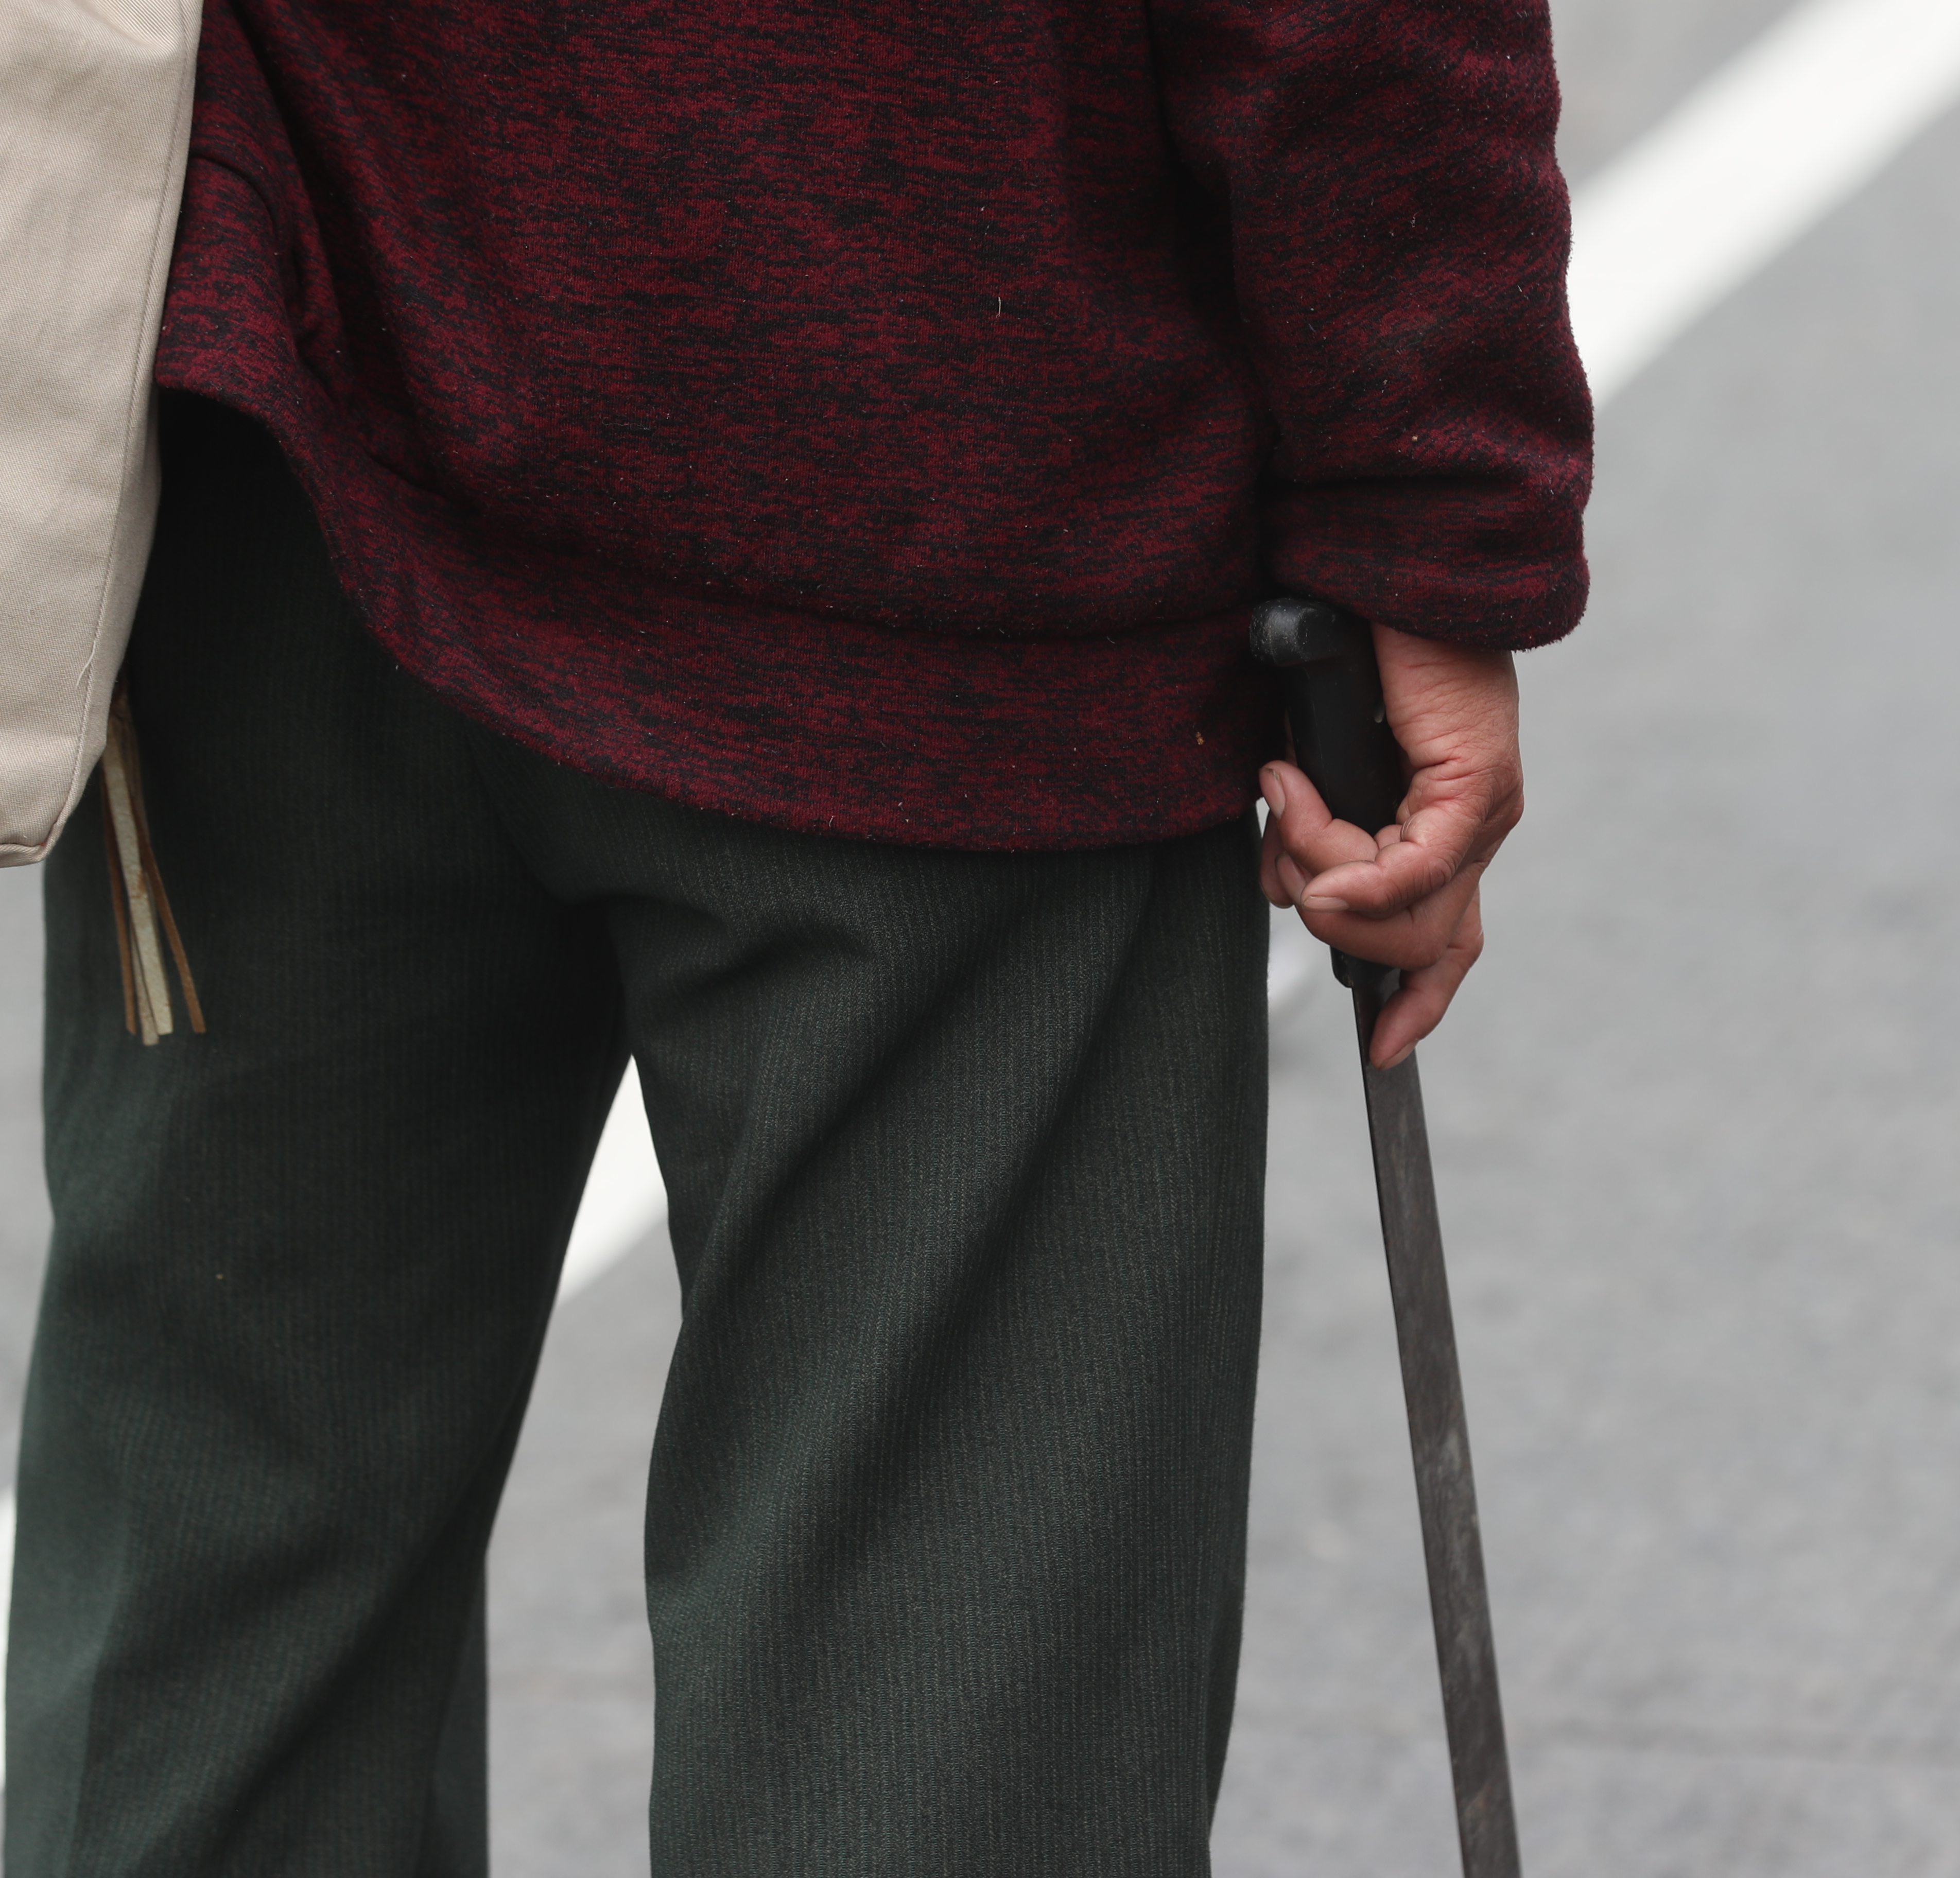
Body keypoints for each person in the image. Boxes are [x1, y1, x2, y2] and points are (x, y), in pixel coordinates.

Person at [1, 0, 1589, 1870]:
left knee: (226, 1601)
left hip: (282, 420)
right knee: (944, 1686)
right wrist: (1430, 499)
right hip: (951, 483)